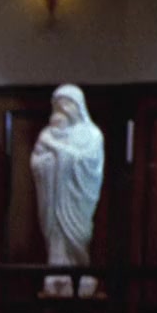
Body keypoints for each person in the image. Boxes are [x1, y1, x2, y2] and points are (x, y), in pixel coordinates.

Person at [30, 84, 104, 298]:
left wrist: (56, 150)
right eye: (58, 105)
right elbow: (36, 163)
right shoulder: (47, 134)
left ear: (77, 106)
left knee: (78, 237)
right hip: (54, 199)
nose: (62, 109)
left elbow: (89, 164)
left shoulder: (92, 135)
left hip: (78, 200)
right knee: (56, 235)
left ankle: (80, 273)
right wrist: (50, 163)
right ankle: (56, 275)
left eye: (66, 104)